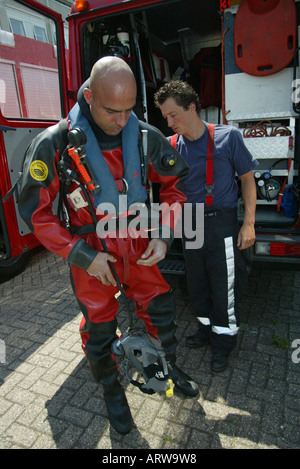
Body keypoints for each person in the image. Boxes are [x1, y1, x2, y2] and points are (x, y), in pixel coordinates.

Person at [18, 58, 199, 435]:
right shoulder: (53, 144)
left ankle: (166, 365)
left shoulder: (145, 136)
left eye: (129, 109)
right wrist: (81, 255)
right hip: (91, 249)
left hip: (138, 241)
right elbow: (37, 215)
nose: (121, 120)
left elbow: (175, 188)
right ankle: (111, 390)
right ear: (88, 96)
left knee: (160, 310)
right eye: (112, 110)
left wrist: (163, 236)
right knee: (99, 325)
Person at [154, 80, 258, 373]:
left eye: (174, 114)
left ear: (192, 107)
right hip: (189, 224)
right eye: (165, 117)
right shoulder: (171, 146)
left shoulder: (229, 138)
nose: (170, 122)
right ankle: (205, 329)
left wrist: (248, 224)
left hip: (219, 223)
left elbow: (248, 180)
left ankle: (223, 342)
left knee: (223, 286)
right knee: (196, 284)